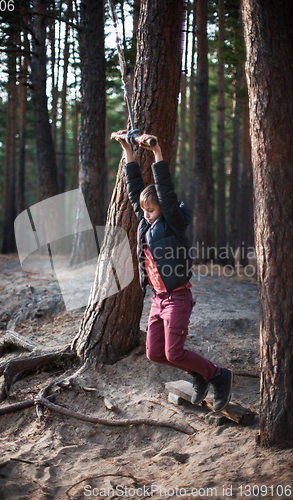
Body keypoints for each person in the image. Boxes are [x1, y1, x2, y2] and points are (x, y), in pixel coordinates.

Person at [114, 130, 233, 412]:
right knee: (155, 353)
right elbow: (134, 191)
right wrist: (127, 150)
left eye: (152, 210)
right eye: (144, 210)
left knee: (174, 352)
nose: (146, 213)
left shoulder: (172, 224)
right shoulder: (146, 223)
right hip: (157, 299)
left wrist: (156, 153)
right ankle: (197, 374)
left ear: (164, 211)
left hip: (178, 297)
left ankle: (218, 375)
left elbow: (165, 191)